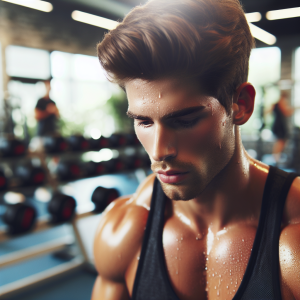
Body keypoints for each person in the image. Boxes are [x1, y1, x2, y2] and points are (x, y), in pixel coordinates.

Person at [92, 0, 300, 299]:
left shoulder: (293, 240)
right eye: (143, 121)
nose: (160, 151)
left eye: (185, 120)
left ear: (239, 105)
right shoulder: (124, 229)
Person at [270, 92, 295, 165]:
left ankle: (276, 158)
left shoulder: (275, 104)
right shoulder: (281, 103)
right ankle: (276, 159)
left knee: (280, 141)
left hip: (278, 124)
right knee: (280, 142)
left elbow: (269, 112)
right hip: (279, 125)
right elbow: (287, 112)